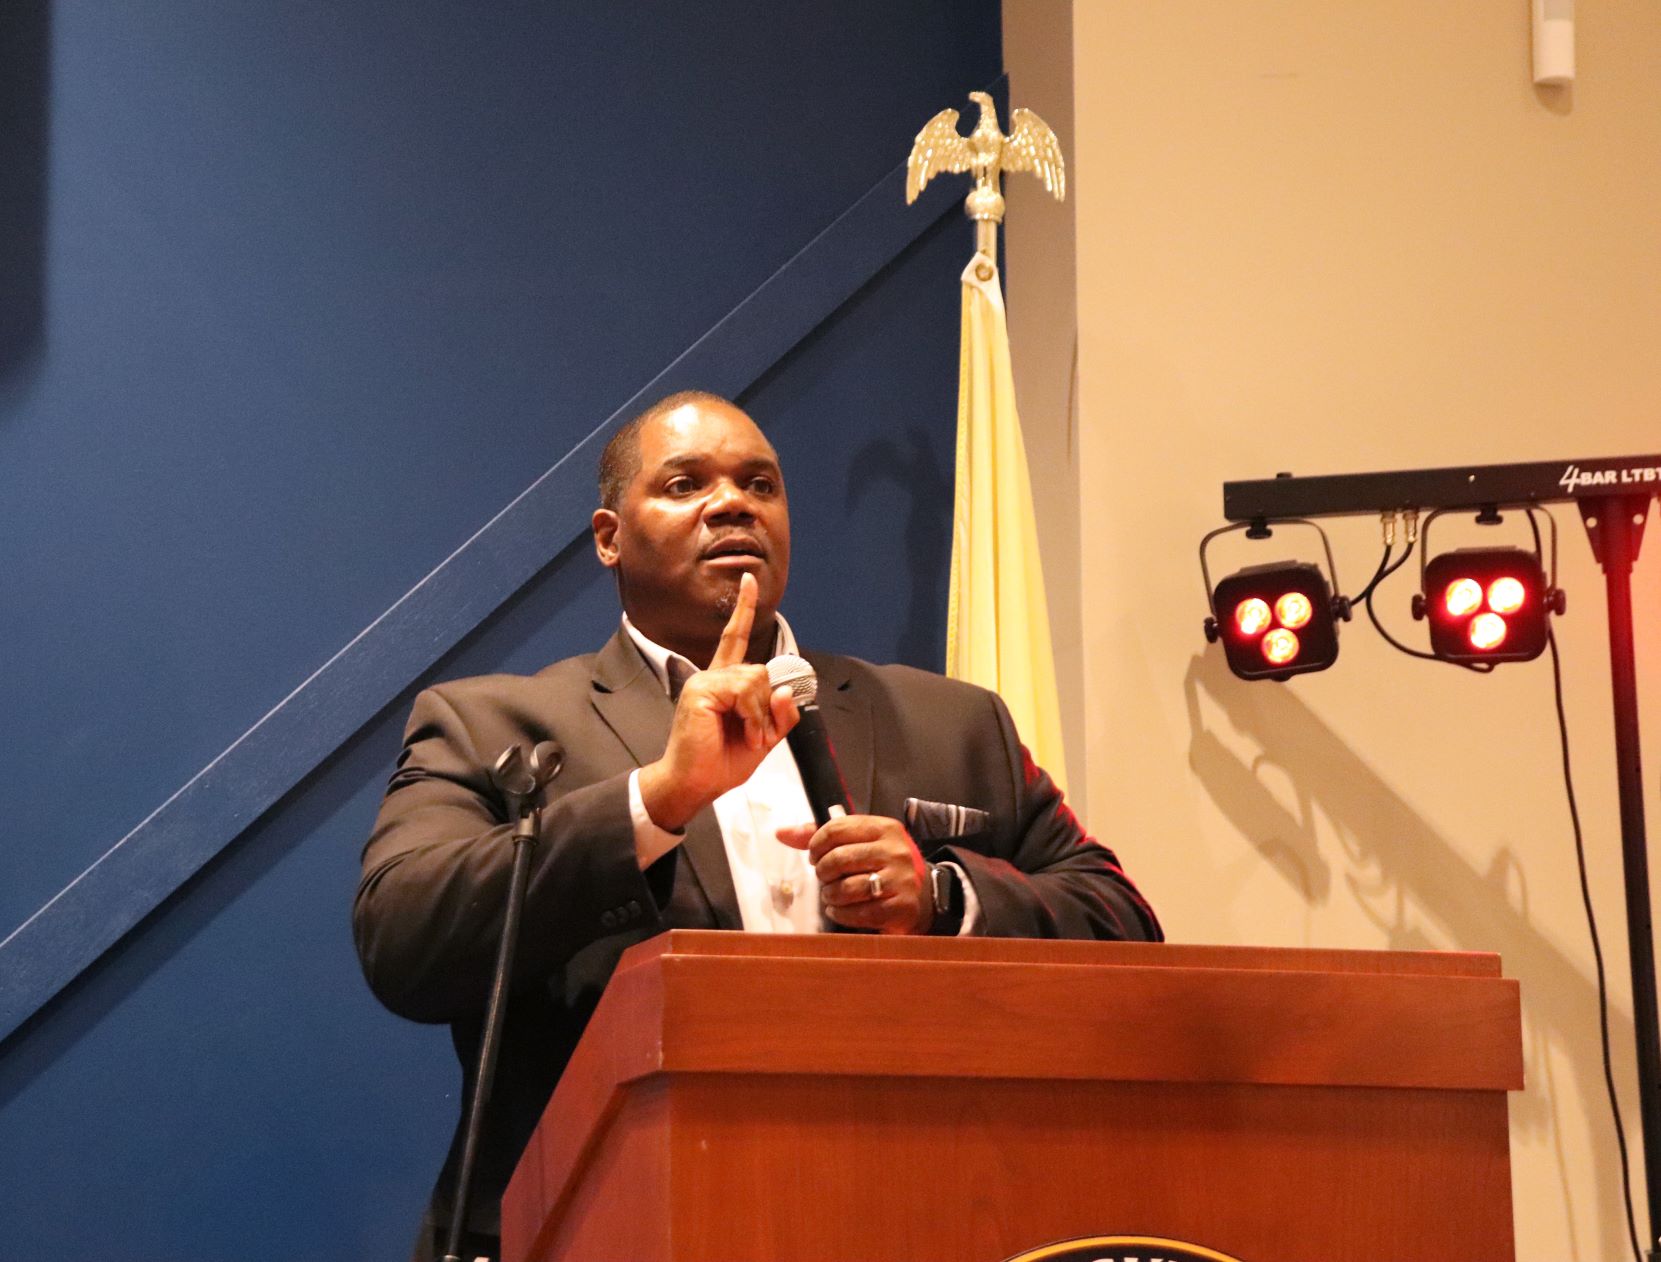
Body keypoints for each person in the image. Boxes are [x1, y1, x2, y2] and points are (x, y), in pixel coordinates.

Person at [353, 391, 1161, 1259]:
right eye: (684, 483)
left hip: (911, 1218)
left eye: (759, 484)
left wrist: (941, 897)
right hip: (599, 1225)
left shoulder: (950, 723)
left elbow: (1121, 925)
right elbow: (404, 942)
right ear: (608, 537)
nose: (733, 502)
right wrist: (656, 799)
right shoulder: (493, 726)